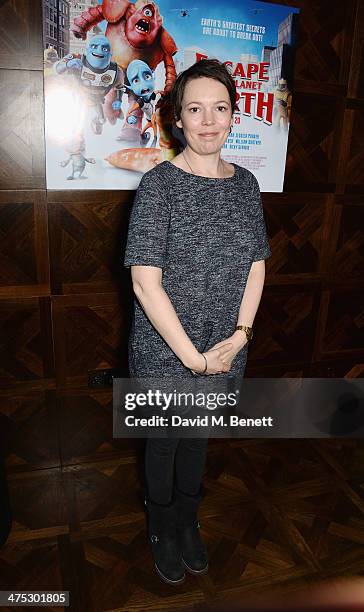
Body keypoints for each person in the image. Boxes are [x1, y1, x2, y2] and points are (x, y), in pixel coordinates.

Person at [123, 59, 271, 586]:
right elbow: (145, 283)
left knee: (201, 437)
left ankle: (189, 522)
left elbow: (257, 265)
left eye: (220, 108)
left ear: (234, 116)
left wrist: (239, 338)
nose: (208, 120)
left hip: (226, 344)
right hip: (170, 351)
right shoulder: (158, 187)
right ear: (177, 119)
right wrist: (192, 358)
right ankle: (162, 528)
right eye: (195, 109)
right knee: (164, 442)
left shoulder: (246, 185)